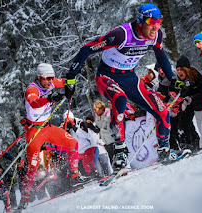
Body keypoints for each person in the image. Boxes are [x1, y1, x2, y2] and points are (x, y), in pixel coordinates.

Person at [66, 3, 191, 168]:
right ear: (140, 21)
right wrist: (70, 79)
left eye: (158, 22)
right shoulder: (121, 35)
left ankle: (164, 151)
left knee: (162, 110)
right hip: (106, 76)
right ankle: (120, 150)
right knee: (119, 98)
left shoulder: (156, 35)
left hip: (129, 78)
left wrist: (172, 77)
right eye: (151, 23)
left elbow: (160, 56)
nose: (155, 28)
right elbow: (86, 49)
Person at [19, 63, 86, 210]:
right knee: (33, 166)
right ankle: (24, 197)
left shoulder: (50, 82)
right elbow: (34, 103)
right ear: (39, 77)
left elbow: (64, 82)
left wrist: (71, 80)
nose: (50, 81)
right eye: (47, 78)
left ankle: (75, 177)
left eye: (52, 78)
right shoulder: (32, 89)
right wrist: (50, 98)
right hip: (34, 132)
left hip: (47, 128)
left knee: (72, 143)